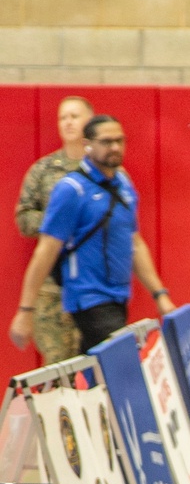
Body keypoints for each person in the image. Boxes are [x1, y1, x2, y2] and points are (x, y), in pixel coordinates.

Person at [8, 114, 174, 355]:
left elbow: (134, 243)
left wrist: (160, 295)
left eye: (120, 140)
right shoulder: (71, 189)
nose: (115, 147)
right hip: (88, 297)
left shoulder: (123, 185)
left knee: (93, 371)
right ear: (88, 144)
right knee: (123, 362)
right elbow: (46, 250)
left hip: (118, 296)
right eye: (106, 142)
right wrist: (25, 311)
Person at [13, 94, 94, 365]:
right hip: (51, 291)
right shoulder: (44, 170)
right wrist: (57, 222)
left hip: (94, 288)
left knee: (94, 371)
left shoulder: (104, 170)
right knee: (58, 370)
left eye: (74, 116)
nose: (68, 122)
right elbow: (24, 218)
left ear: (90, 121)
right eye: (63, 117)